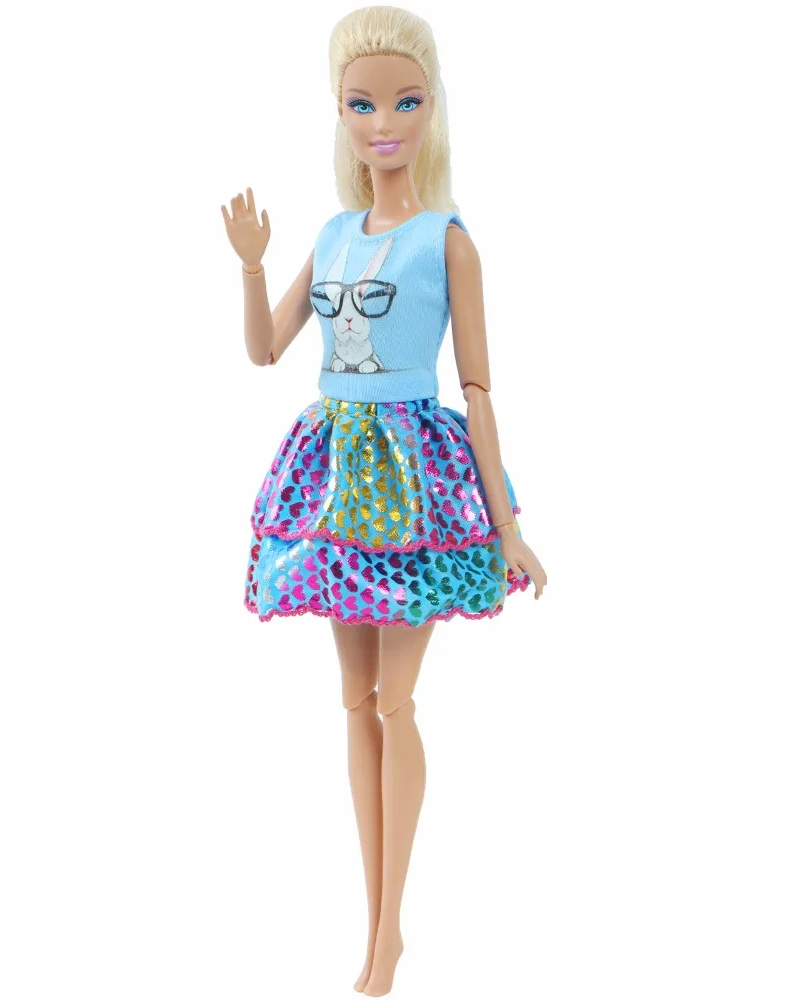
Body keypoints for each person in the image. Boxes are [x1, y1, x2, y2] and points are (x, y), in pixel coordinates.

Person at [221, 7, 547, 995]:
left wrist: (508, 525)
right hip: (336, 479)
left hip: (412, 481)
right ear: (339, 112)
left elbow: (478, 387)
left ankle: (389, 929)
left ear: (432, 106)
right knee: (355, 703)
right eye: (362, 104)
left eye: (404, 101)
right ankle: (374, 930)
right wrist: (250, 265)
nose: (384, 123)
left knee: (395, 702)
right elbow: (265, 350)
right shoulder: (329, 234)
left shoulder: (449, 241)